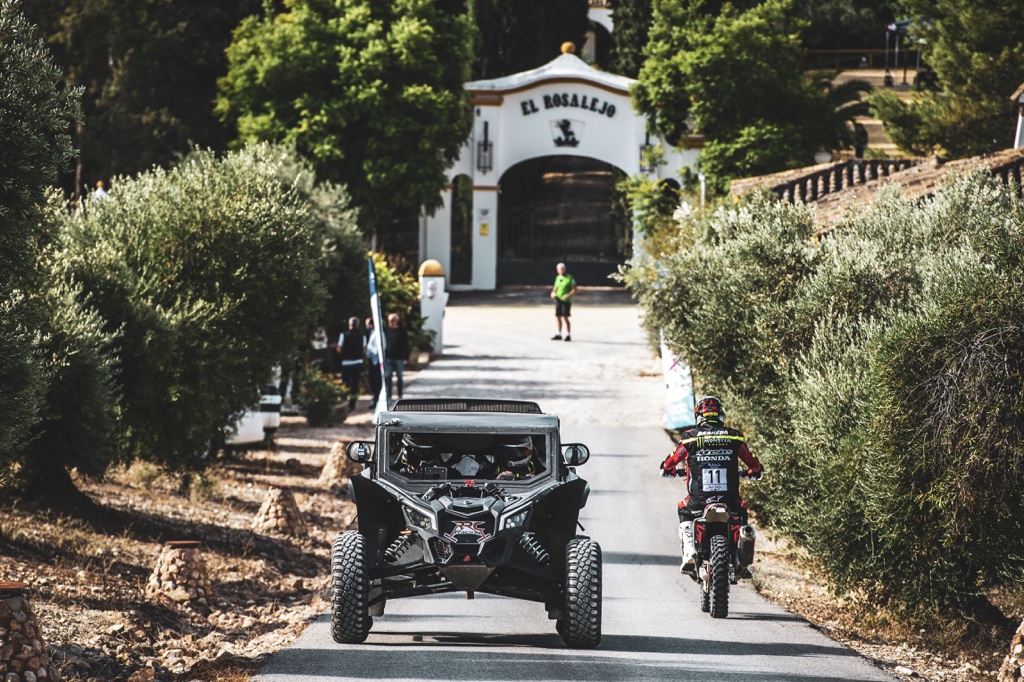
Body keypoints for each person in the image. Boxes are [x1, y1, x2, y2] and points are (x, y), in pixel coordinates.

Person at [660, 395, 763, 575]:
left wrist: (669, 470)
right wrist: (752, 472)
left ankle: (690, 551)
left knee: (684, 510)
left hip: (699, 501)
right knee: (741, 511)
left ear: (699, 416)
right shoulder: (734, 437)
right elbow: (755, 465)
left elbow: (670, 463)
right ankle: (741, 559)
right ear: (720, 415)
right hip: (729, 500)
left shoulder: (690, 438)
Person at [337, 317, 365, 411]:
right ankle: (352, 404)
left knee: (345, 384)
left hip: (346, 362)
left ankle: (344, 402)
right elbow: (363, 349)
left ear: (349, 325)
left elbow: (339, 349)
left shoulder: (343, 335)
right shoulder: (362, 335)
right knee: (355, 384)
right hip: (358, 362)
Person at [384, 312, 410, 403]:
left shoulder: (401, 331)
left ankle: (400, 394)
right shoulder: (386, 330)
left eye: (392, 320)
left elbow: (406, 345)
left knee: (399, 377)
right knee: (388, 377)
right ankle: (389, 395)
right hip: (388, 358)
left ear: (396, 321)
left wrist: (406, 358)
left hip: (399, 358)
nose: (391, 322)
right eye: (389, 321)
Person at [550, 262, 577, 341]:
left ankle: (568, 334)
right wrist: (553, 292)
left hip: (566, 301)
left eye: (562, 269)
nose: (561, 270)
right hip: (558, 300)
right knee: (558, 317)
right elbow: (555, 287)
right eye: (559, 269)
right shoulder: (558, 278)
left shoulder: (569, 278)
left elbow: (575, 289)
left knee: (565, 317)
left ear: (565, 269)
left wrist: (568, 295)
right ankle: (559, 333)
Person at [364, 317, 383, 405]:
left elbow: (379, 347)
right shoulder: (372, 333)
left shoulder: (378, 334)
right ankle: (375, 398)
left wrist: (371, 350)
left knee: (376, 381)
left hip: (376, 361)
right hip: (372, 360)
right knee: (372, 381)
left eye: (367, 324)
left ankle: (377, 399)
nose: (366, 326)